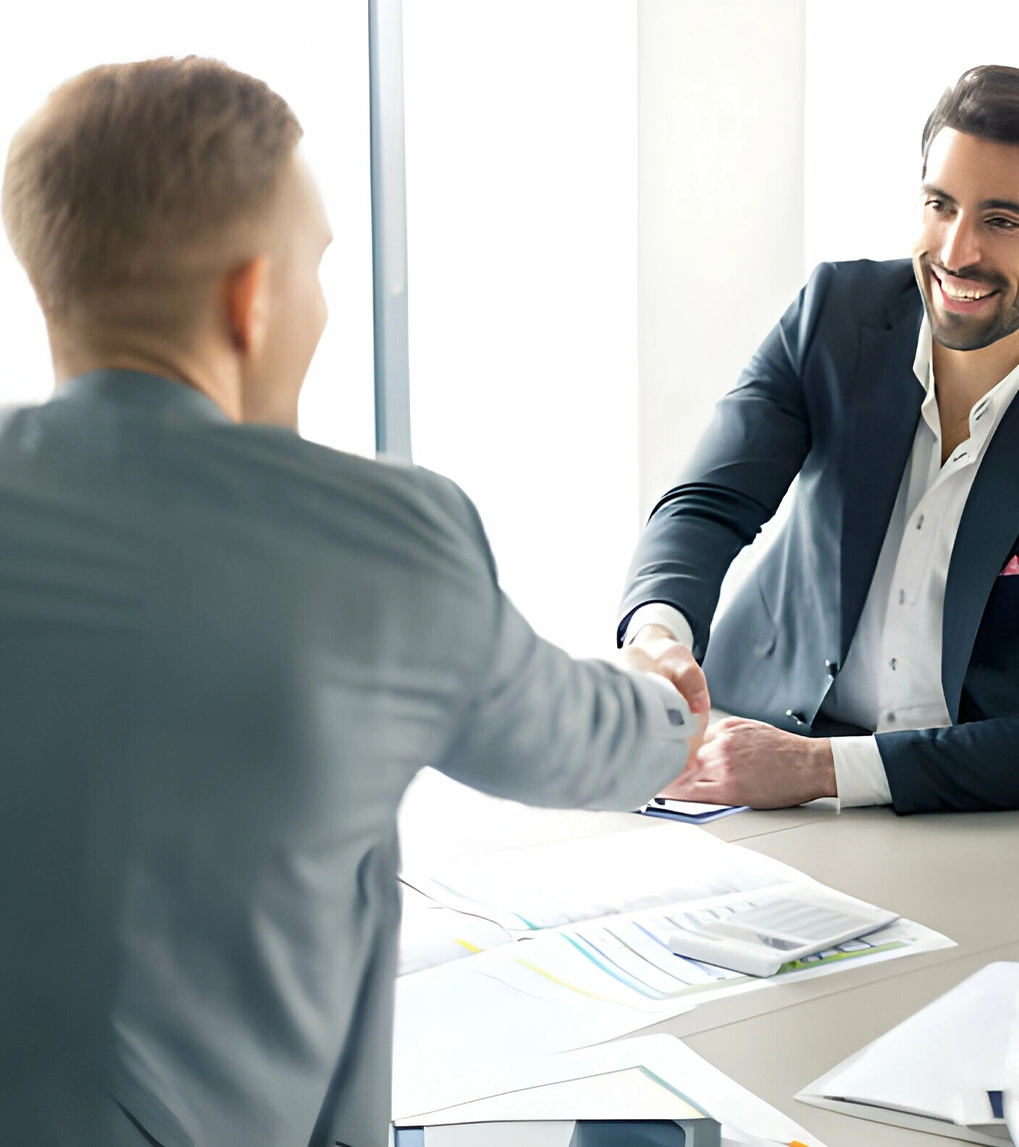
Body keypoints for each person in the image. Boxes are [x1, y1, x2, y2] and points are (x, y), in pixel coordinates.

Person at [0, 58, 699, 1146]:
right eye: (317, 263)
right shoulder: (382, 538)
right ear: (252, 298)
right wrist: (665, 695)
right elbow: (583, 748)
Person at [619, 65, 1019, 813]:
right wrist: (658, 634)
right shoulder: (834, 316)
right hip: (744, 746)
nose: (955, 250)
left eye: (1001, 220)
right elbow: (706, 504)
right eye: (939, 205)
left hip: (951, 800)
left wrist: (823, 768)